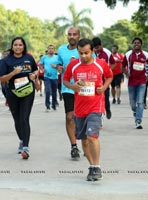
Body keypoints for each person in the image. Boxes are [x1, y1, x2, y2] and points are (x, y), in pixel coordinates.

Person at [63, 38, 113, 181]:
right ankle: (92, 166)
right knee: (84, 141)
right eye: (81, 53)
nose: (84, 56)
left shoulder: (100, 64)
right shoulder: (73, 65)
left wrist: (103, 88)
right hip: (79, 108)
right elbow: (65, 80)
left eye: (86, 53)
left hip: (96, 106)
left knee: (92, 136)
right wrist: (73, 87)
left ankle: (97, 167)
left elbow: (109, 76)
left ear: (92, 51)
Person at [0, 36, 38, 160]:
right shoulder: (5, 61)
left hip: (28, 92)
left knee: (25, 118)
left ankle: (26, 147)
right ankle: (22, 139)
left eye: (20, 45)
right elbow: (2, 79)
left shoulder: (29, 58)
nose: (18, 47)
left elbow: (36, 71)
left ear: (24, 46)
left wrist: (34, 76)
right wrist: (13, 73)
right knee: (17, 119)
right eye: (15, 45)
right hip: (13, 93)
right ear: (12, 46)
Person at [56, 27, 81, 160]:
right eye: (70, 34)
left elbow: (94, 65)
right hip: (68, 88)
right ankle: (74, 146)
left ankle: (86, 142)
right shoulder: (61, 50)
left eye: (74, 34)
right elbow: (59, 65)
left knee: (83, 119)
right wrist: (60, 68)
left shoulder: (86, 48)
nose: (72, 37)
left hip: (84, 89)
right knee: (69, 117)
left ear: (79, 36)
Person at [122, 37, 148, 129]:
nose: (136, 44)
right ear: (132, 44)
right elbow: (123, 66)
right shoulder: (128, 54)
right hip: (131, 82)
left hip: (142, 81)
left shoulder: (146, 55)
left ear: (141, 45)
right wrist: (127, 74)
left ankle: (138, 121)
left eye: (138, 43)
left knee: (140, 101)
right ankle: (135, 111)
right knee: (133, 104)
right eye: (134, 43)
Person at [92, 37, 115, 119]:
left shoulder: (107, 53)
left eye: (98, 47)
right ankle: (98, 117)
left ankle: (107, 109)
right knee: (96, 100)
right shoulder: (91, 53)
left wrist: (107, 72)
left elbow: (113, 63)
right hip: (94, 80)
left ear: (101, 45)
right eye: (94, 48)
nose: (96, 50)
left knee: (105, 98)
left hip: (104, 81)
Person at [39, 45, 59, 111]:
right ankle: (47, 105)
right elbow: (40, 64)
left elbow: (60, 66)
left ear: (54, 50)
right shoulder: (44, 57)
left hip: (55, 77)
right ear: (47, 50)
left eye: (52, 48)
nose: (51, 50)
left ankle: (53, 105)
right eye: (49, 48)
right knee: (47, 91)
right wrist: (42, 69)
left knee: (54, 92)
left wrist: (55, 66)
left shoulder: (57, 57)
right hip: (47, 76)